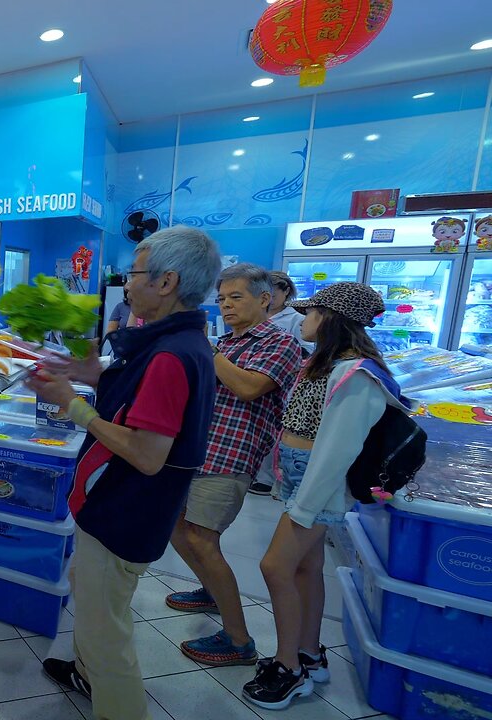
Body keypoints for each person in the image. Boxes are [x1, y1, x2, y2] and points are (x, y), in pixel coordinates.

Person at [34, 227, 220, 720]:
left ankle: (113, 698)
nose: (125, 283)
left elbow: (146, 453)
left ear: (167, 282)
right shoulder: (178, 343)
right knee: (94, 600)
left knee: (106, 633)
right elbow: (135, 397)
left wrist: (71, 405)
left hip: (124, 512)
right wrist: (84, 372)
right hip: (122, 509)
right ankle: (83, 673)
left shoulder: (169, 356)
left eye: (133, 273)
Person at [244, 283, 405, 711]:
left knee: (275, 566)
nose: (303, 319)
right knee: (304, 568)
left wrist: (305, 506)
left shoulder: (356, 375)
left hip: (320, 487)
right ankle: (310, 654)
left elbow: (336, 452)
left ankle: (288, 668)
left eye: (311, 312)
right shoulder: (325, 363)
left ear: (332, 318)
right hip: (304, 478)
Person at [165, 263, 301, 667]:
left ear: (264, 299)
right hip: (195, 451)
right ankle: (209, 589)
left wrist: (208, 350)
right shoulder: (227, 342)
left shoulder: (279, 343)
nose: (225, 305)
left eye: (235, 297)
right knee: (175, 528)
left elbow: (247, 387)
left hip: (231, 456)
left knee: (203, 540)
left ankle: (239, 640)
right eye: (221, 298)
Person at [249, 270, 313, 496]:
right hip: (255, 377)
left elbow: (307, 350)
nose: (269, 298)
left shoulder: (295, 319)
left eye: (274, 292)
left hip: (284, 382)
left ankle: (268, 479)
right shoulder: (257, 315)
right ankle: (256, 473)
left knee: (277, 428)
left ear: (286, 292)